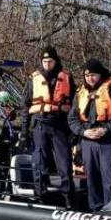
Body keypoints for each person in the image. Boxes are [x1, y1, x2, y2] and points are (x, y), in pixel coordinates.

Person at [68, 58, 111, 211]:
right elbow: (72, 118)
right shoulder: (80, 93)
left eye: (93, 75)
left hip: (107, 141)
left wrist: (106, 129)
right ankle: (95, 209)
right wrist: (83, 132)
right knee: (92, 180)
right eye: (87, 76)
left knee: (109, 179)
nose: (90, 78)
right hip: (88, 141)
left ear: (100, 74)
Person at [23, 45, 74, 203]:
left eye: (50, 61)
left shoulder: (66, 77)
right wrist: (24, 131)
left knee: (64, 162)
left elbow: (75, 105)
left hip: (59, 125)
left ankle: (68, 198)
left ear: (55, 61)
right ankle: (41, 194)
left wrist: (73, 131)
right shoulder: (34, 78)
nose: (47, 64)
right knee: (40, 162)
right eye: (44, 61)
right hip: (40, 124)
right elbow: (25, 105)